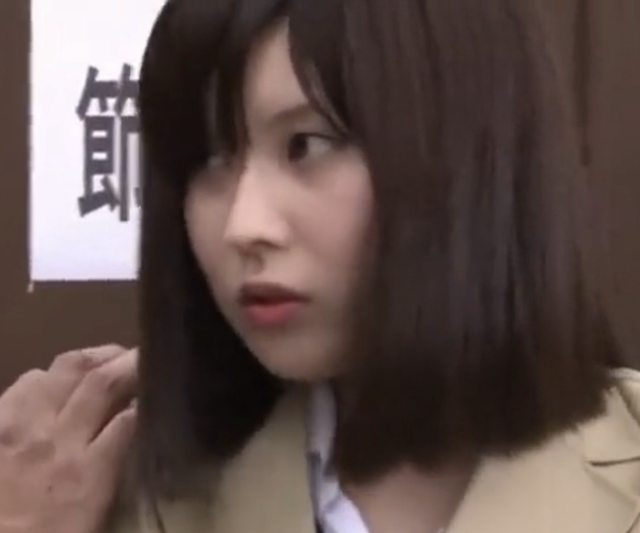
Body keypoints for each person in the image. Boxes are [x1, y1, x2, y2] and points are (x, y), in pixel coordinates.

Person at [3, 0, 640, 532]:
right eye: (210, 157)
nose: (244, 225)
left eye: (306, 145)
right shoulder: (123, 499)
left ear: (467, 155)